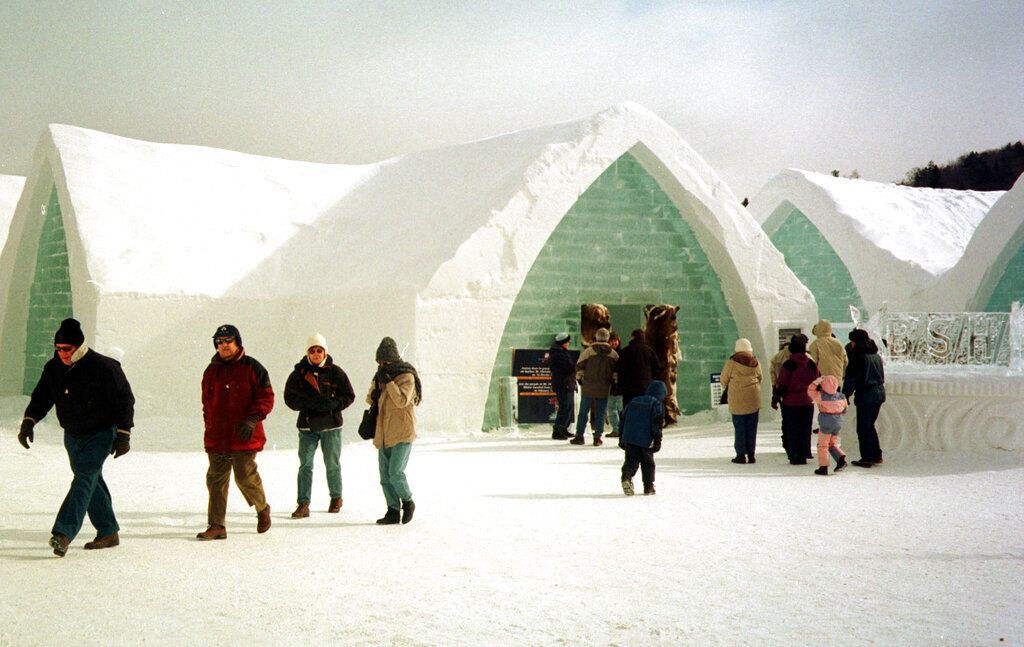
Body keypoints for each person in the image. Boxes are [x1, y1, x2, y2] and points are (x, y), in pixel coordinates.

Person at [18, 318, 135, 557]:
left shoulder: (104, 367)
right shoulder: (54, 368)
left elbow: (124, 399)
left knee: (84, 478)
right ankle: (108, 530)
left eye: (67, 349)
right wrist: (29, 421)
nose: (61, 353)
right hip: (73, 435)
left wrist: (123, 434)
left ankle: (63, 533)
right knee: (90, 480)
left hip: (101, 433)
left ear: (79, 346)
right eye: (58, 348)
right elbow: (42, 397)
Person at [197, 324, 274, 540]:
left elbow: (266, 397)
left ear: (237, 342)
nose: (224, 345)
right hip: (218, 437)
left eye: (228, 340)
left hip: (244, 435)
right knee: (216, 480)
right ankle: (217, 525)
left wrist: (252, 419)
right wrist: (209, 426)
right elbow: (206, 403)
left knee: (244, 475)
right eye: (219, 342)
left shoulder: (253, 367)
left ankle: (262, 508)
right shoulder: (211, 371)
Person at [284, 333, 355, 518]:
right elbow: (289, 398)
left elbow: (349, 395)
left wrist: (334, 404)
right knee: (305, 465)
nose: (316, 354)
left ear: (325, 352)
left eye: (319, 350)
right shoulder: (298, 374)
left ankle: (336, 497)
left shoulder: (336, 372)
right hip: (307, 426)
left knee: (332, 463)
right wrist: (307, 404)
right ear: (307, 353)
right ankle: (303, 503)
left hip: (331, 426)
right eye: (312, 350)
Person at [368, 337, 421, 525]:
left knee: (395, 473)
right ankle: (392, 510)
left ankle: (407, 502)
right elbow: (370, 399)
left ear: (394, 360)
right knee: (385, 477)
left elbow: (401, 401)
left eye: (386, 362)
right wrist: (374, 393)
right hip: (383, 433)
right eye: (380, 362)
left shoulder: (407, 376)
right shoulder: (380, 377)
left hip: (402, 432)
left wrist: (389, 383)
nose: (382, 365)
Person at [772, 337, 820, 465]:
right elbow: (818, 379)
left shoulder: (788, 365)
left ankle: (794, 455)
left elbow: (782, 383)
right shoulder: (811, 363)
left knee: (793, 428)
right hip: (808, 400)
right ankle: (804, 454)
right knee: (805, 428)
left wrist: (776, 397)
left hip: (791, 401)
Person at [843, 328, 886, 468]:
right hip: (879, 392)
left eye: (852, 341)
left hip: (867, 394)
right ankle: (876, 454)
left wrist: (845, 395)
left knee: (863, 427)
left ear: (855, 341)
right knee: (869, 425)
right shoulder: (875, 355)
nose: (851, 344)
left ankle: (867, 457)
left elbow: (851, 378)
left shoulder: (857, 356)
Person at [570, 327, 618, 446]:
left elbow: (579, 366)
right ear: (607, 338)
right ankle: (597, 438)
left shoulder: (588, 351)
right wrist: (613, 382)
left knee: (583, 411)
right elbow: (616, 372)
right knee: (601, 413)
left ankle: (579, 436)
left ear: (596, 336)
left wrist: (579, 378)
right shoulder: (613, 354)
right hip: (604, 387)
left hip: (588, 386)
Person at [618, 380, 666, 496]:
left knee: (631, 460)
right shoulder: (657, 405)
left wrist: (622, 438)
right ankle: (649, 487)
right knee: (648, 463)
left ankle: (626, 477)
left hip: (629, 437)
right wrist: (657, 441)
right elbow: (656, 424)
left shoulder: (633, 401)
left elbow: (622, 420)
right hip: (646, 439)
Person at [721, 338, 762, 464]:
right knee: (752, 427)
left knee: (739, 427)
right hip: (753, 399)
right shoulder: (755, 361)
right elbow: (761, 377)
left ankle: (740, 455)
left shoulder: (732, 362)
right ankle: (751, 454)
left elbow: (723, 379)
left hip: (737, 399)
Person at [770, 333, 808, 457]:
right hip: (807, 398)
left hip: (786, 396)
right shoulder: (809, 360)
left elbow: (775, 377)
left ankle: (790, 448)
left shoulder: (779, 358)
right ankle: (803, 451)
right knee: (804, 425)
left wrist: (775, 395)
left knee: (788, 423)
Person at [807, 375, 848, 475]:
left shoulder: (821, 396)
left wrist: (816, 382)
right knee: (832, 444)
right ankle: (841, 458)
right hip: (838, 422)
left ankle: (823, 467)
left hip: (826, 423)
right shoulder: (841, 396)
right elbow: (845, 410)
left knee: (822, 445)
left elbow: (810, 391)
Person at [617, 329, 660, 408]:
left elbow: (619, 368)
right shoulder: (650, 351)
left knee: (629, 409)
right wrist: (650, 378)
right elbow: (657, 368)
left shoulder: (625, 351)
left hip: (629, 388)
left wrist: (621, 385)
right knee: (644, 408)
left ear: (633, 337)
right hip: (646, 387)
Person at [548, 332, 576, 440]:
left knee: (568, 407)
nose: (568, 343)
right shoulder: (559, 354)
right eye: (567, 341)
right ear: (563, 342)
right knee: (565, 407)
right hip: (563, 384)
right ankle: (558, 430)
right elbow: (570, 367)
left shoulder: (560, 352)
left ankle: (563, 428)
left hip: (565, 383)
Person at [605, 331, 624, 438]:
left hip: (620, 386)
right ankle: (616, 429)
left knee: (621, 409)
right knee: (611, 409)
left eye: (615, 341)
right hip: (610, 386)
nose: (614, 343)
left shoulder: (622, 353)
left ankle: (622, 429)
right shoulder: (606, 354)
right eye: (612, 341)